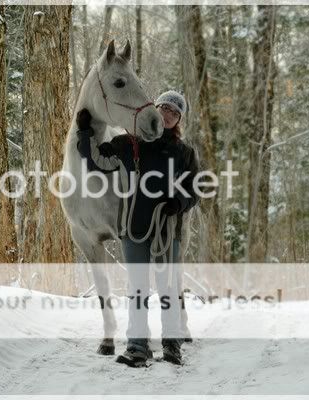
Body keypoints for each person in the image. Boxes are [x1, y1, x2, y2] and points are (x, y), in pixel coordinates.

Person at [75, 90, 200, 366]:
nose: (167, 115)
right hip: (133, 228)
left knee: (167, 288)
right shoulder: (129, 143)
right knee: (138, 288)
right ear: (155, 110)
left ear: (178, 120)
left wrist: (177, 203)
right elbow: (96, 162)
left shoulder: (184, 153)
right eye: (164, 108)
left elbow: (195, 189)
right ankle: (137, 346)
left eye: (174, 113)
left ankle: (171, 344)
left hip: (167, 229)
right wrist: (85, 132)